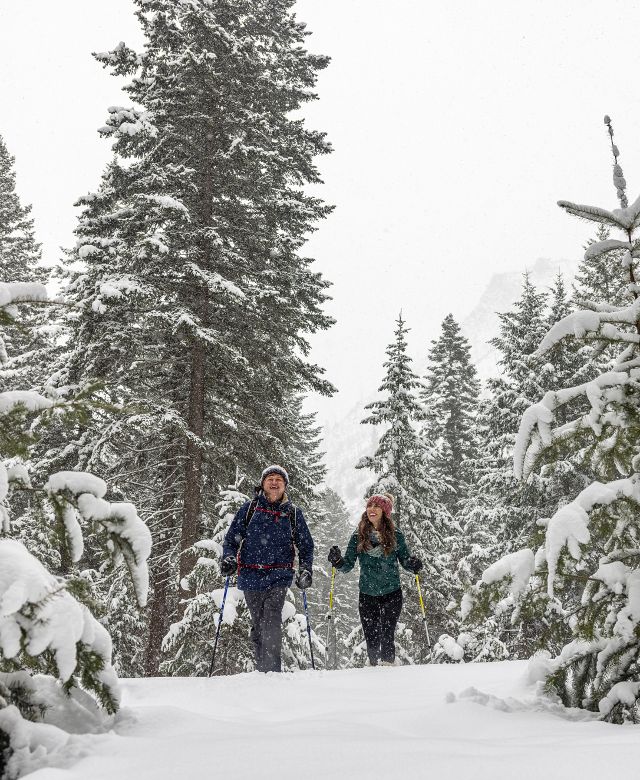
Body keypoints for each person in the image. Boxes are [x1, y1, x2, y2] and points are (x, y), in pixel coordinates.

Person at [221, 465, 313, 673]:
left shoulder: (293, 514)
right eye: (270, 478)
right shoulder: (250, 509)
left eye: (279, 480)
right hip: (251, 574)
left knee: (271, 619)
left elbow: (306, 545)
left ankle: (272, 672)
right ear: (262, 484)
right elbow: (232, 539)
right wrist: (228, 557)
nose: (274, 482)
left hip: (279, 575)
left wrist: (306, 570)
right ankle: (263, 670)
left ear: (284, 486)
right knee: (258, 623)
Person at [328, 493, 422, 667]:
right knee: (371, 637)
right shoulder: (358, 536)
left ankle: (388, 669)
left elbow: (405, 561)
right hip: (367, 594)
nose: (372, 509)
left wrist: (413, 564)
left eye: (376, 506)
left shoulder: (396, 535)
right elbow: (347, 565)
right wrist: (338, 561)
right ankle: (373, 671)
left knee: (387, 635)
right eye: (370, 506)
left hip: (392, 593)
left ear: (384, 511)